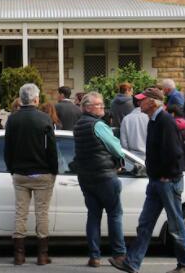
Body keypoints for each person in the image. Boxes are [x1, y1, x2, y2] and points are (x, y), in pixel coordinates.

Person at [109, 88, 185, 273]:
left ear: (154, 102)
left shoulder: (164, 121)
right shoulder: (154, 120)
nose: (139, 103)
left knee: (176, 225)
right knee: (145, 224)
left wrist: (166, 174)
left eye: (143, 100)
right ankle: (132, 263)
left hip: (166, 181)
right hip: (157, 180)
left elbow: (175, 152)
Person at [4, 84, 58, 266]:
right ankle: (42, 255)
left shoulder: (12, 120)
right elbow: (51, 149)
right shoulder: (45, 119)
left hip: (20, 172)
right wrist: (54, 170)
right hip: (42, 172)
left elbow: (7, 148)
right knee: (42, 213)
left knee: (21, 213)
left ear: (21, 99)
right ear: (36, 99)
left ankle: (19, 255)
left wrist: (11, 168)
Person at [74, 92, 126, 268]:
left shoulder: (78, 125)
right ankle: (119, 255)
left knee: (93, 216)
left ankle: (94, 256)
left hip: (86, 177)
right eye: (99, 105)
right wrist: (119, 160)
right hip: (105, 176)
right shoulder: (98, 125)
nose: (103, 107)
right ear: (88, 107)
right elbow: (117, 148)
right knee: (115, 214)